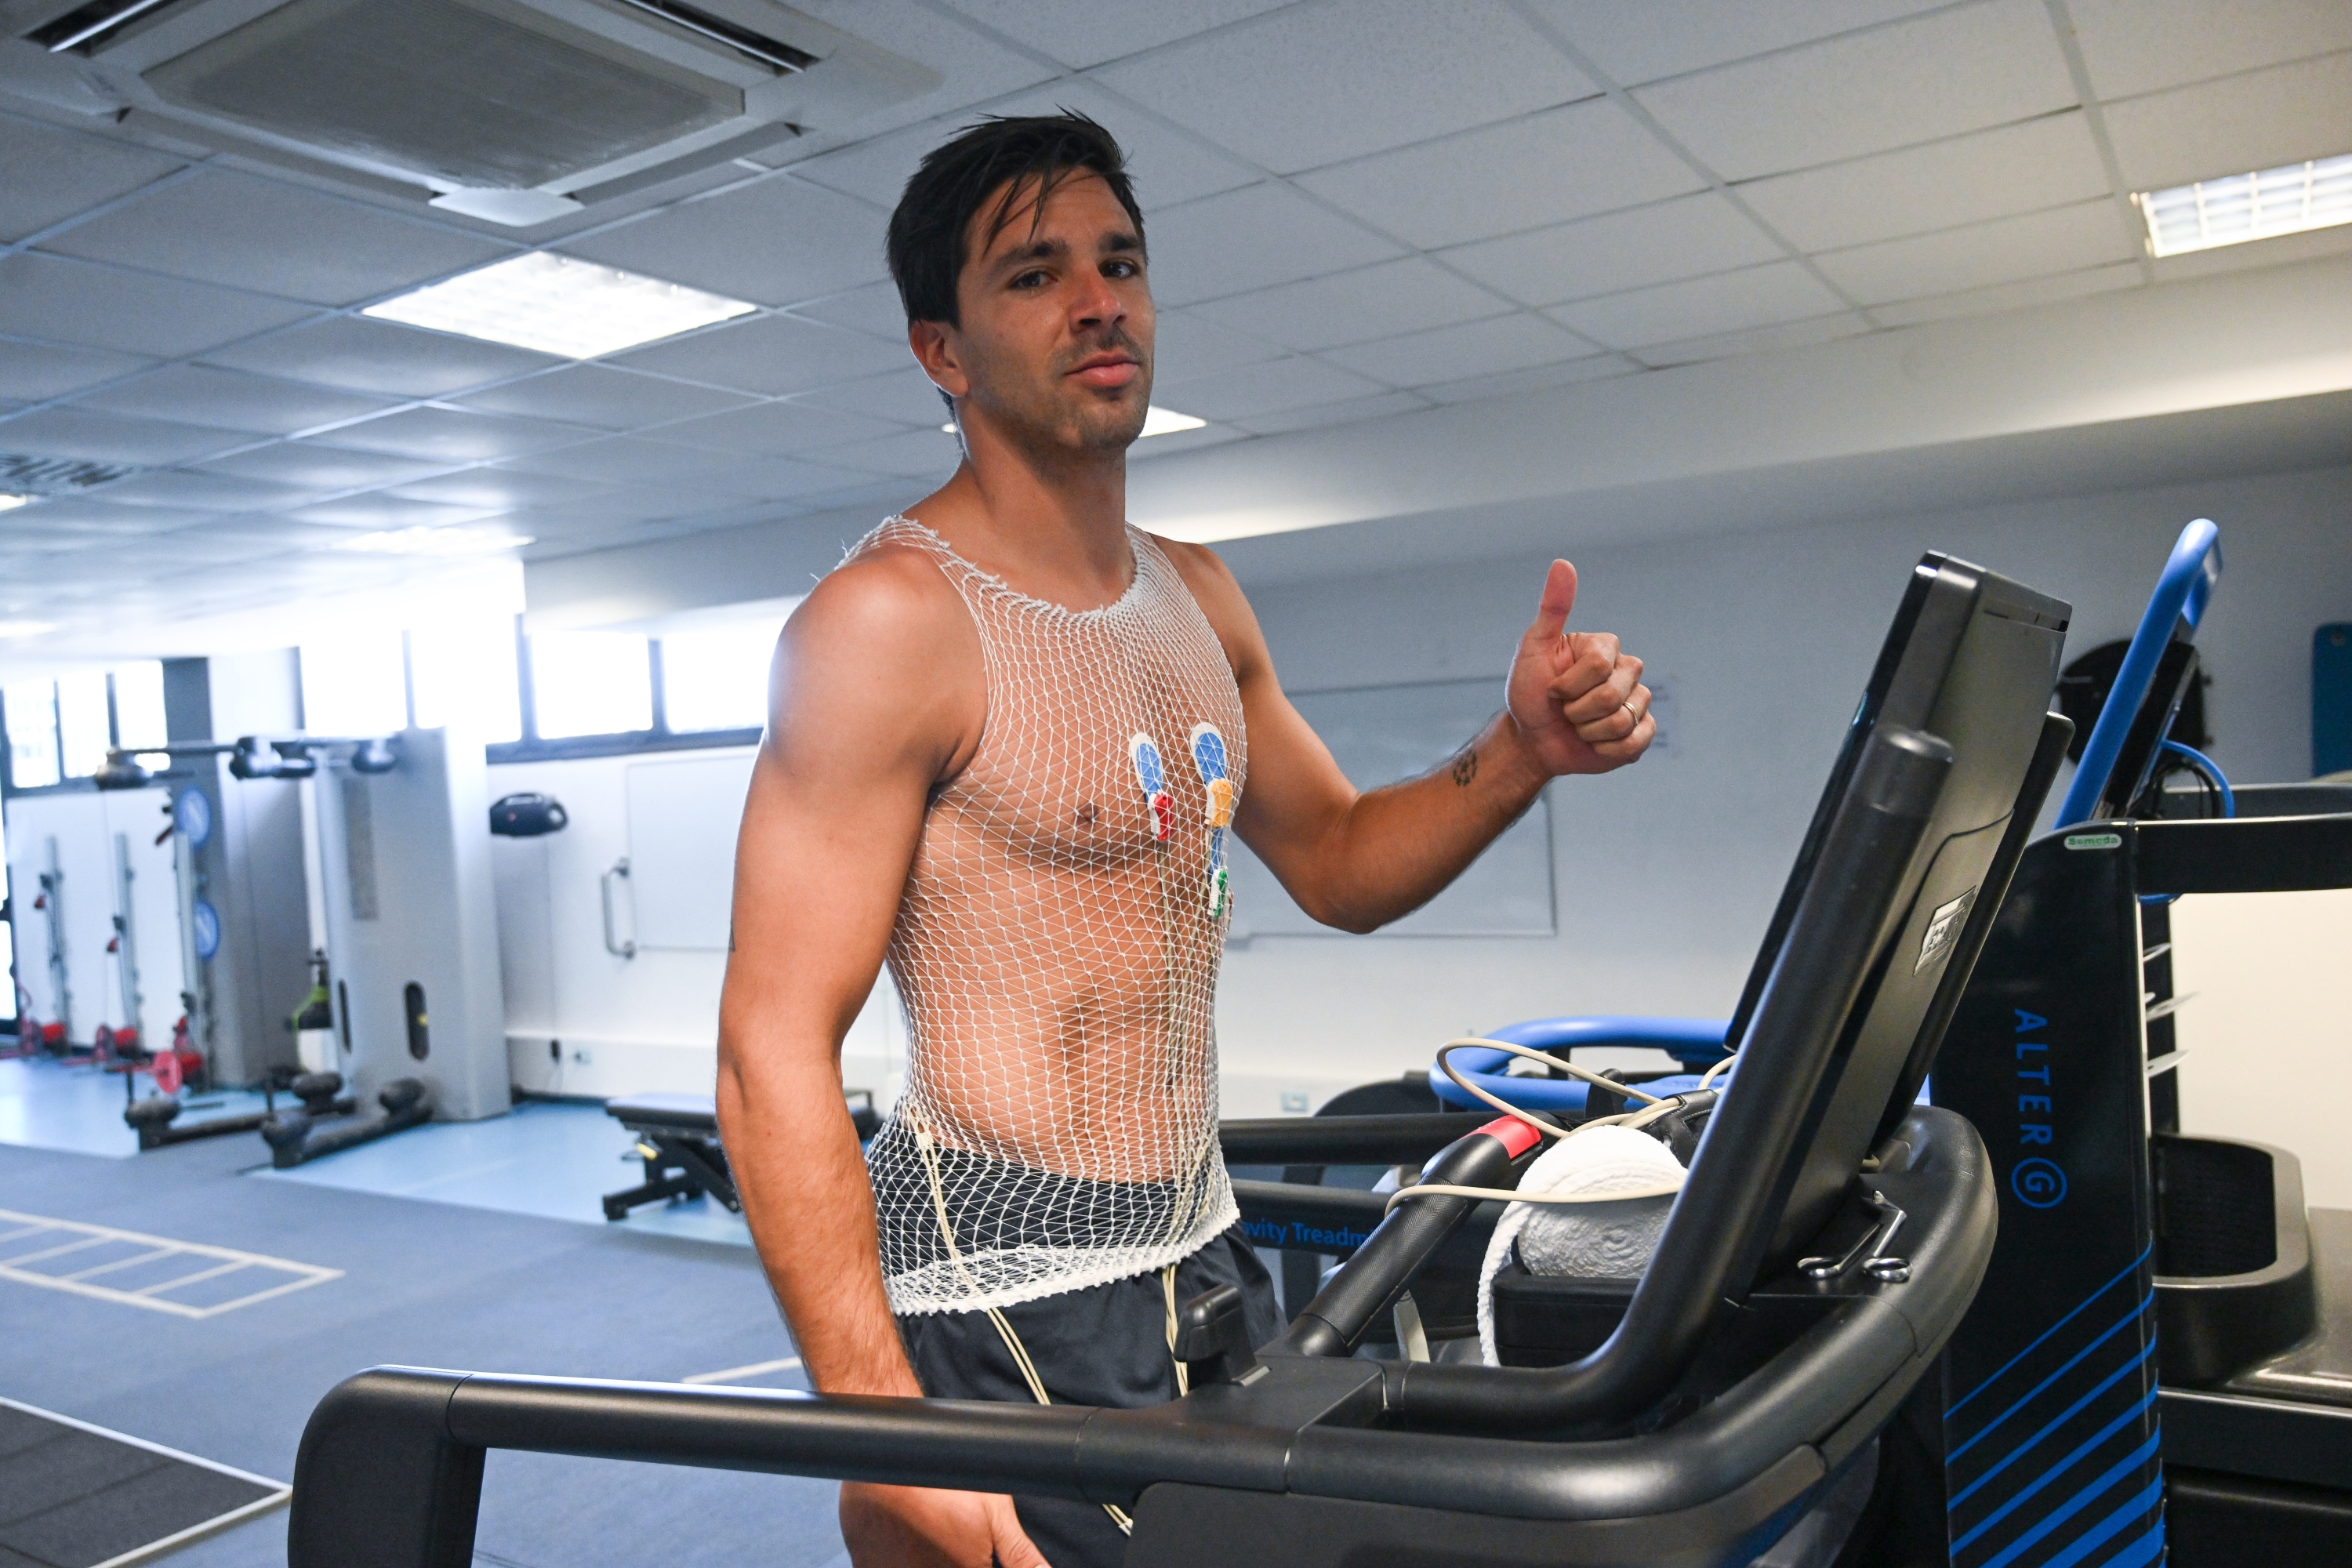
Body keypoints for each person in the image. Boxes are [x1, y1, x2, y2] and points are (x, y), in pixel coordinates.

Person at [716, 113, 1654, 1568]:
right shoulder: (888, 626)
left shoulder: (1200, 600)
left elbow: (1340, 861)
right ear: (941, 353)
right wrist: (883, 1438)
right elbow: (768, 1046)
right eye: (1033, 275)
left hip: (1195, 1244)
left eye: (1120, 261)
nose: (1099, 300)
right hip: (1002, 1293)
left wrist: (1523, 748)